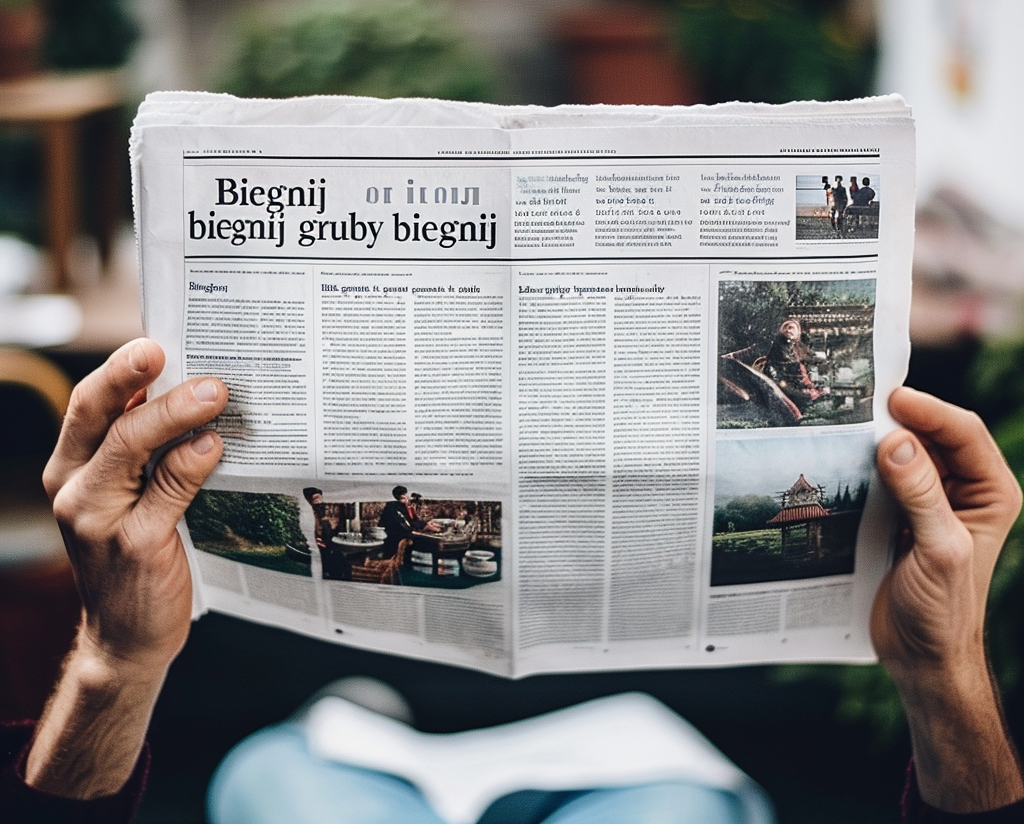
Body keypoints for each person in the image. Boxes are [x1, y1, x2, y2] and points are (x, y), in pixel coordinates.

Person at [3, 338, 1024, 821]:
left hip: (389, 756)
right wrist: (949, 675)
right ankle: (367, 708)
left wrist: (113, 656)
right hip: (621, 757)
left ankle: (361, 705)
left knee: (288, 786)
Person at [762, 318, 828, 411]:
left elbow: (810, 358)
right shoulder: (776, 345)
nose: (788, 330)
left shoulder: (799, 346)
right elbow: (771, 364)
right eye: (786, 328)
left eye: (791, 328)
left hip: (798, 380)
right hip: (782, 379)